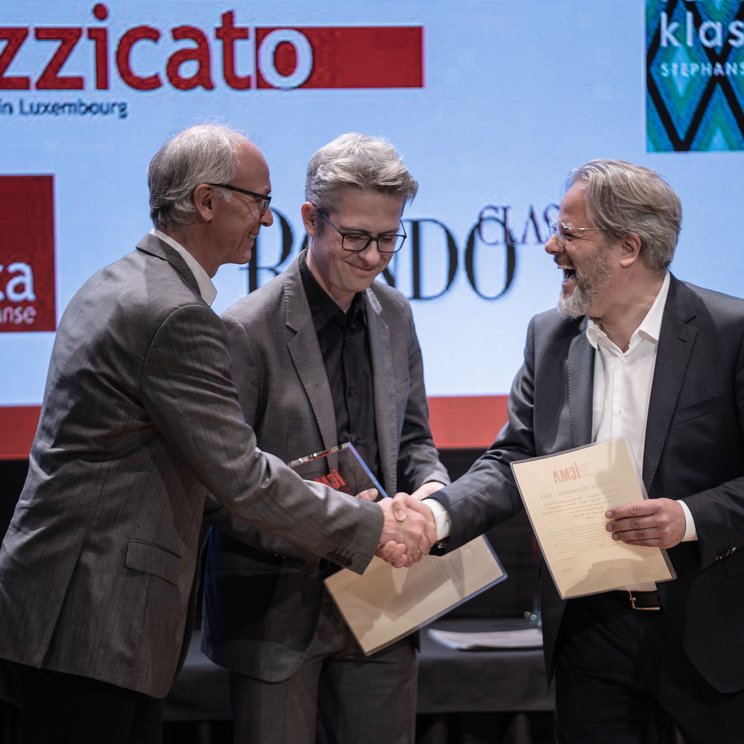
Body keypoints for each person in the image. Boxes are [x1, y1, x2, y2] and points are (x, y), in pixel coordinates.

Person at [0, 124, 433, 744]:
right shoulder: (178, 314)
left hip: (65, 602)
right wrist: (374, 527)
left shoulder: (119, 281)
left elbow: (413, 438)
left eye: (387, 239)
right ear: (206, 201)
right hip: (97, 610)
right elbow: (241, 478)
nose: (264, 218)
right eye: (257, 200)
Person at [402, 160, 744, 743]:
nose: (549, 245)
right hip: (590, 633)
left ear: (628, 247)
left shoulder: (729, 332)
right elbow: (514, 460)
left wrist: (686, 519)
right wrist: (435, 515)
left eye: (568, 232)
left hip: (712, 631)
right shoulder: (550, 337)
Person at [201, 132, 449, 744]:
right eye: (355, 237)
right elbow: (220, 489)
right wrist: (339, 522)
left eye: (388, 238)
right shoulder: (244, 329)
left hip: (384, 598)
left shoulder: (396, 315)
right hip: (278, 610)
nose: (372, 257)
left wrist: (434, 492)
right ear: (311, 218)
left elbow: (414, 439)